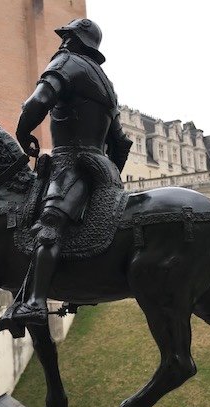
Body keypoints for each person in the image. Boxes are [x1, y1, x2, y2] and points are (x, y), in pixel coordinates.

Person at [13, 18, 132, 327]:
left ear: (74, 40)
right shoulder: (106, 84)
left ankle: (35, 302)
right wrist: (110, 175)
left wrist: (23, 132)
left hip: (71, 162)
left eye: (66, 36)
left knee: (50, 222)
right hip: (101, 167)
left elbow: (38, 101)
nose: (62, 41)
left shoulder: (66, 63)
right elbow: (120, 142)